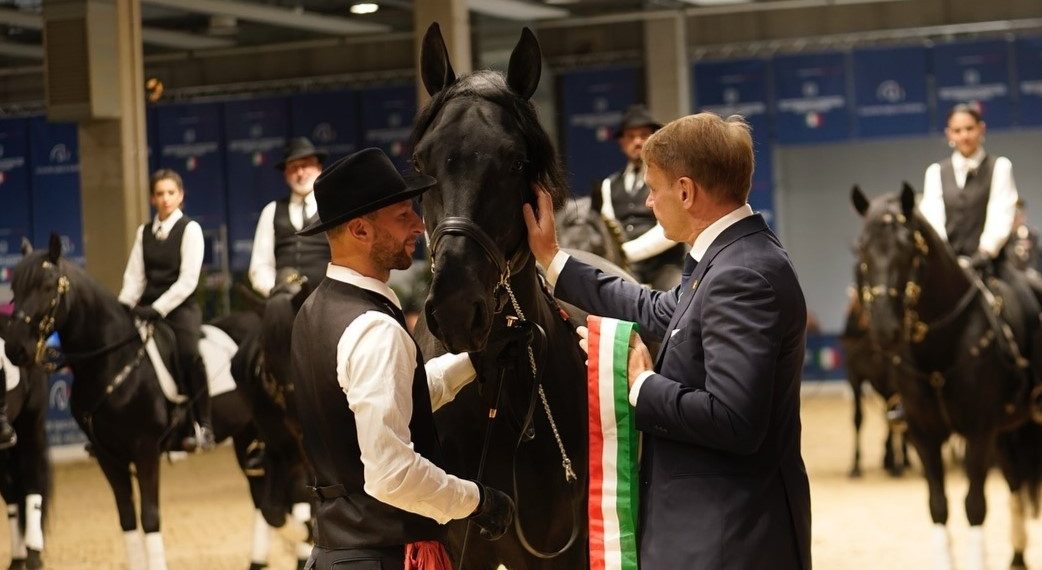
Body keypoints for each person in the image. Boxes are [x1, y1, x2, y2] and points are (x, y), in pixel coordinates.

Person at [523, 113, 811, 569]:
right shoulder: (731, 257)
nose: (649, 202)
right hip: (714, 534)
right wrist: (553, 258)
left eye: (654, 189)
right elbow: (655, 308)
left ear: (686, 191)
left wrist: (641, 383)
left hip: (726, 543)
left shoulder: (742, 274)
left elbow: (734, 420)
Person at [290, 148, 515, 569]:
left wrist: (474, 363)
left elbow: (386, 401)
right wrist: (477, 500)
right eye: (402, 216)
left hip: (336, 552)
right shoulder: (376, 329)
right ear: (360, 230)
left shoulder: (314, 309)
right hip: (386, 556)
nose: (419, 225)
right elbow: (391, 473)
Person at [919, 104, 1041, 369]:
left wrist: (983, 254)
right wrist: (948, 259)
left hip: (991, 264)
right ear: (949, 134)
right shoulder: (935, 172)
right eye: (957, 130)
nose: (964, 135)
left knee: (1031, 307)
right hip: (949, 266)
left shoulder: (1000, 167)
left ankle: (1033, 381)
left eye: (969, 129)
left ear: (981, 130)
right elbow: (933, 218)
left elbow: (1002, 212)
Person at [118, 169, 214, 451]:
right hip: (147, 308)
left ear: (180, 196)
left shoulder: (190, 229)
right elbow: (134, 279)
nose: (165, 199)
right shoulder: (144, 232)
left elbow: (188, 281)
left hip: (180, 310)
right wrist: (122, 308)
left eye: (171, 193)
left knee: (189, 353)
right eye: (160, 194)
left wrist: (157, 309)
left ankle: (204, 424)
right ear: (152, 198)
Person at [595, 104, 685, 289]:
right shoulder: (609, 185)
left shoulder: (671, 177)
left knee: (677, 295)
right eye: (630, 136)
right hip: (627, 269)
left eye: (644, 135)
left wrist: (626, 252)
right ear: (621, 142)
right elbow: (608, 229)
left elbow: (671, 231)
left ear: (655, 138)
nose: (637, 141)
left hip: (665, 267)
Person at [249, 137, 331, 296]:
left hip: (328, 299)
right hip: (284, 300)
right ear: (286, 174)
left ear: (318, 168)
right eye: (293, 167)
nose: (300, 173)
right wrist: (276, 292)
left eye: (305, 165)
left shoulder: (334, 206)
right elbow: (260, 265)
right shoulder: (271, 210)